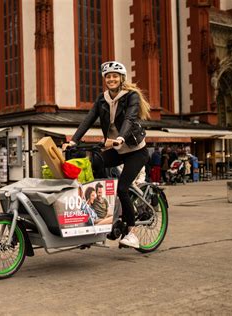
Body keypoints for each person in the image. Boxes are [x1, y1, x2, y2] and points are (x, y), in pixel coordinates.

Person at [67, 61, 151, 248]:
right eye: (108, 76)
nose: (111, 79)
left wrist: (121, 137)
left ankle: (132, 232)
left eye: (115, 75)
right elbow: (88, 119)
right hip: (115, 149)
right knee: (94, 164)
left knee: (122, 188)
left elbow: (129, 118)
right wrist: (73, 140)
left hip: (135, 151)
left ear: (121, 78)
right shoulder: (102, 99)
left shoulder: (131, 96)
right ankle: (103, 218)